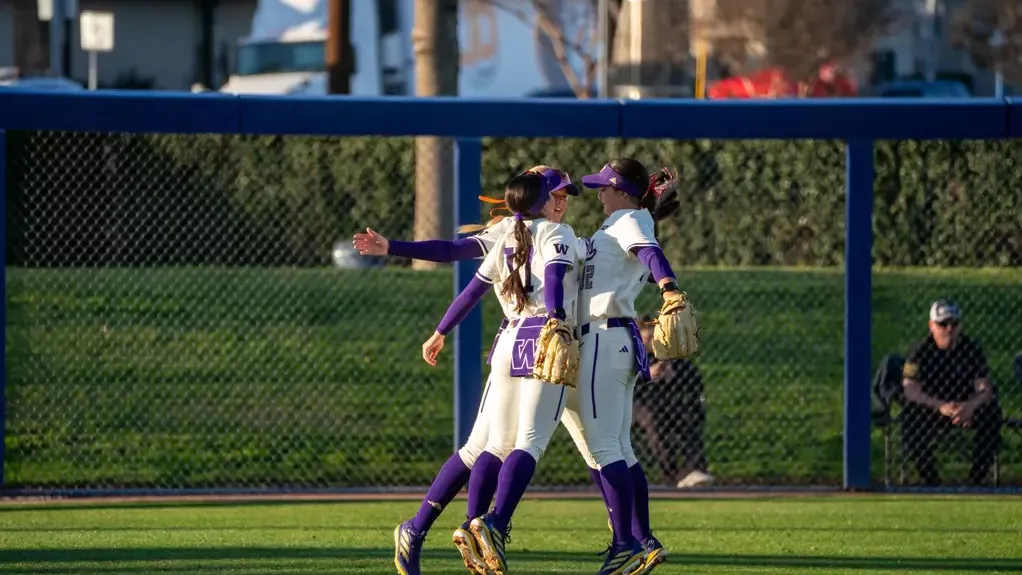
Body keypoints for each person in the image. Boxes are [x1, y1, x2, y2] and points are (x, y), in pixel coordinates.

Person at [374, 167, 583, 575]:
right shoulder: (554, 233)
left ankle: (435, 529)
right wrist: (558, 317)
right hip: (544, 336)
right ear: (539, 197)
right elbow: (552, 277)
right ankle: (486, 526)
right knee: (523, 443)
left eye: (565, 195)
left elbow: (470, 287)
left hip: (511, 340)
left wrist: (440, 330)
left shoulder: (508, 233)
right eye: (555, 193)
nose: (561, 200)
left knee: (490, 446)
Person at [527, 157, 689, 575]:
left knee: (605, 449)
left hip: (604, 336)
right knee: (613, 448)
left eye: (604, 186)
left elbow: (650, 253)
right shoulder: (615, 225)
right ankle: (642, 539)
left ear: (620, 191)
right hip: (604, 339)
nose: (599, 193)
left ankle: (625, 545)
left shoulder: (630, 220)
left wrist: (669, 288)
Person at [901, 299, 1002, 486]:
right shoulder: (919, 351)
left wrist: (969, 407)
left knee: (992, 414)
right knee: (910, 418)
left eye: (954, 324)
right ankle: (931, 480)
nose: (949, 329)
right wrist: (940, 406)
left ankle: (977, 480)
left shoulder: (971, 349)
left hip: (965, 407)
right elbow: (910, 390)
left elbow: (984, 389)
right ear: (931, 326)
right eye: (943, 324)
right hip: (932, 408)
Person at [634, 317, 713, 489]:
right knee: (655, 421)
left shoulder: (672, 358)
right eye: (648, 338)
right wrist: (645, 375)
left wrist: (673, 375)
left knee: (689, 419)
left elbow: (694, 382)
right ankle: (670, 476)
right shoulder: (631, 357)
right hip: (640, 406)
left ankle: (694, 471)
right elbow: (619, 382)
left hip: (672, 406)